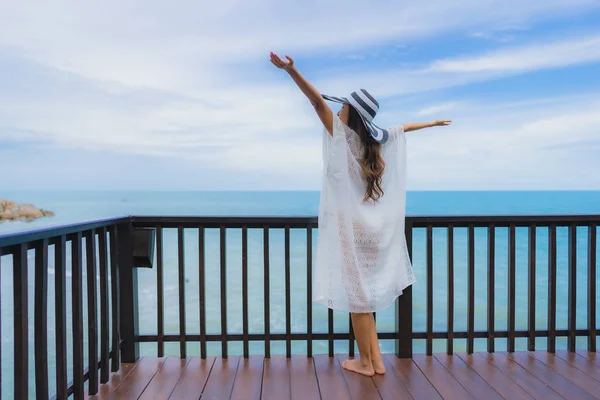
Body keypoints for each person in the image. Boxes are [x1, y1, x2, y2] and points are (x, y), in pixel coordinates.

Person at [270, 52, 451, 376]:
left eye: (341, 107)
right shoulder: (373, 144)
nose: (336, 109)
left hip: (351, 230)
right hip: (372, 229)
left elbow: (315, 102)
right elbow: (402, 128)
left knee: (358, 302)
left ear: (349, 114)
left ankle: (368, 363)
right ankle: (375, 361)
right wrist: (433, 124)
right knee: (362, 301)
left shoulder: (341, 137)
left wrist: (292, 71)